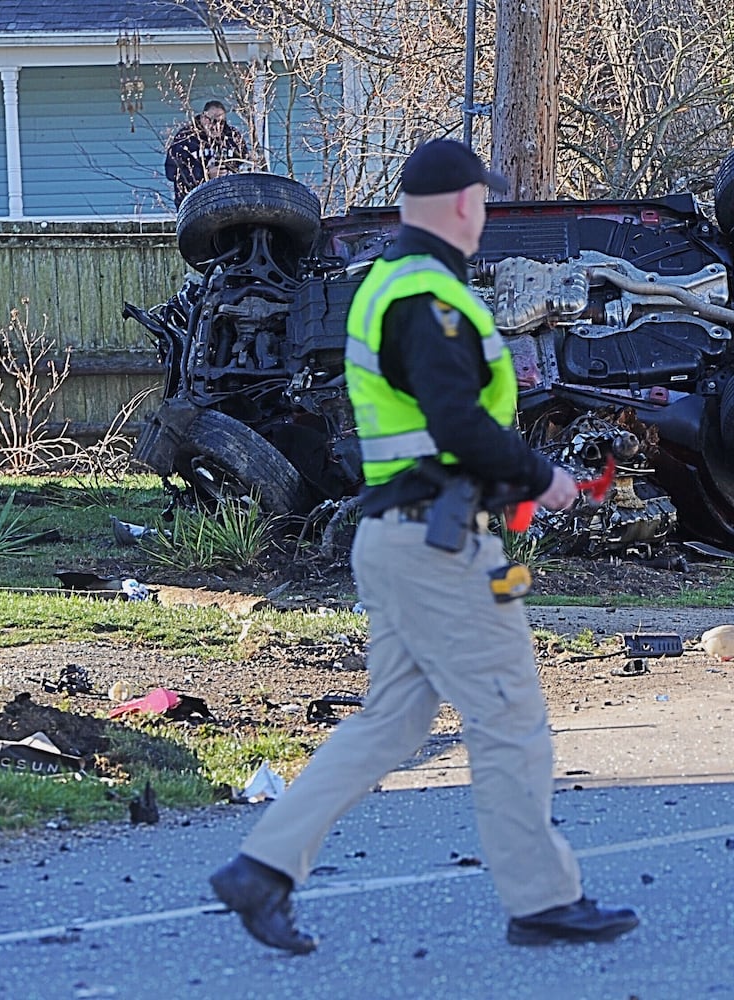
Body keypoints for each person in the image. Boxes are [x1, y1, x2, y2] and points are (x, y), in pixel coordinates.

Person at [209, 138, 639, 953]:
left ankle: (260, 869)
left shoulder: (398, 288)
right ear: (455, 204)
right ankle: (544, 901)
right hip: (438, 546)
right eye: (480, 200)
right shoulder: (427, 298)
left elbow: (437, 432)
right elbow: (457, 423)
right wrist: (538, 476)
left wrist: (507, 483)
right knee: (510, 718)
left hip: (406, 539)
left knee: (393, 723)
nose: (484, 215)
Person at [164, 100, 250, 207]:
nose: (217, 127)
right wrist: (205, 175)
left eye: (221, 122)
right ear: (204, 118)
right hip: (194, 203)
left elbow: (245, 165)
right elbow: (172, 172)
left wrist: (229, 173)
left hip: (228, 202)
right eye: (213, 121)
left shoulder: (232, 138)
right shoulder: (186, 139)